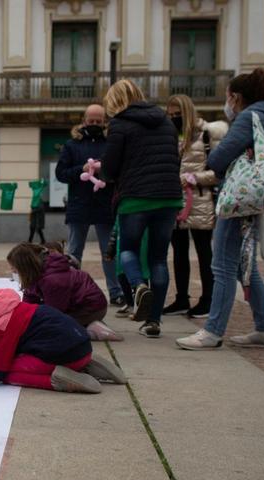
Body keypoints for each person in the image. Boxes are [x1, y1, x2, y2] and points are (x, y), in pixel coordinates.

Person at [176, 68, 264, 350]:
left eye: (228, 97)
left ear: (236, 97)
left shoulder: (248, 117)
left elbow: (218, 158)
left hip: (239, 199)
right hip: (259, 196)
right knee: (246, 265)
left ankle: (213, 331)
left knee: (222, 264)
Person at [101, 79, 181, 338]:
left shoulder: (120, 124)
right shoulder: (167, 122)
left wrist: (103, 171)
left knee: (128, 249)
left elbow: (110, 169)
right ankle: (153, 321)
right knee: (159, 258)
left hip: (136, 196)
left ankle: (138, 286)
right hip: (169, 196)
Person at [0, 286, 126, 392]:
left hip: (67, 354)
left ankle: (59, 380)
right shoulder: (4, 308)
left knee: (7, 374)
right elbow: (12, 348)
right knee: (7, 364)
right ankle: (88, 363)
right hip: (80, 345)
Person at [161, 94, 227, 318]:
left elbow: (220, 171)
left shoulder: (207, 134)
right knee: (178, 251)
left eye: (177, 115)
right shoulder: (169, 136)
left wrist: (194, 178)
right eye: (169, 115)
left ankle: (207, 299)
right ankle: (182, 298)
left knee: (203, 251)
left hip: (200, 199)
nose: (172, 119)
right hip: (174, 199)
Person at [55, 104, 124, 306]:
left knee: (108, 253)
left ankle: (115, 291)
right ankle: (71, 291)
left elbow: (119, 172)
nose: (94, 124)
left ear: (104, 122)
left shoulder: (111, 144)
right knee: (74, 252)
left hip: (105, 206)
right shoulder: (71, 145)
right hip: (79, 206)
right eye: (91, 121)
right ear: (84, 120)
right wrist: (81, 170)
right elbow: (61, 174)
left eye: (98, 121)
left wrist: (107, 173)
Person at [7, 243, 121, 341]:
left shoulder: (53, 280)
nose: (13, 271)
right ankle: (84, 325)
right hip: (75, 306)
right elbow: (30, 300)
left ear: (25, 267)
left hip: (91, 309)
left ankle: (91, 331)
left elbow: (55, 313)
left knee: (48, 332)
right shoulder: (38, 273)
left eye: (15, 268)